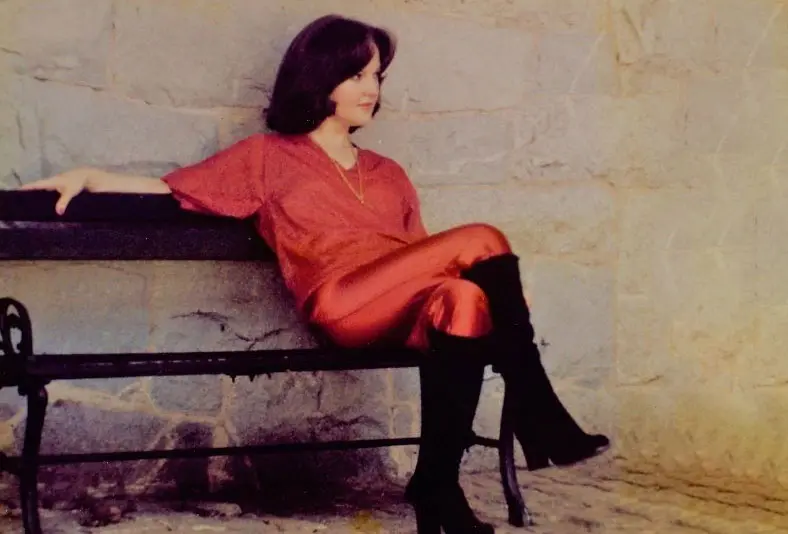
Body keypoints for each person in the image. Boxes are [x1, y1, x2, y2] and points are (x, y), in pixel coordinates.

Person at [19, 14, 609, 534]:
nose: (371, 89)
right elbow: (174, 191)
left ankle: (438, 489)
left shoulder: (389, 172)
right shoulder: (269, 157)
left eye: (377, 77)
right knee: (483, 238)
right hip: (342, 305)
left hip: (402, 305)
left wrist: (493, 284)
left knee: (466, 299)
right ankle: (538, 406)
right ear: (321, 76)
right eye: (358, 75)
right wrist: (93, 176)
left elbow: (423, 257)